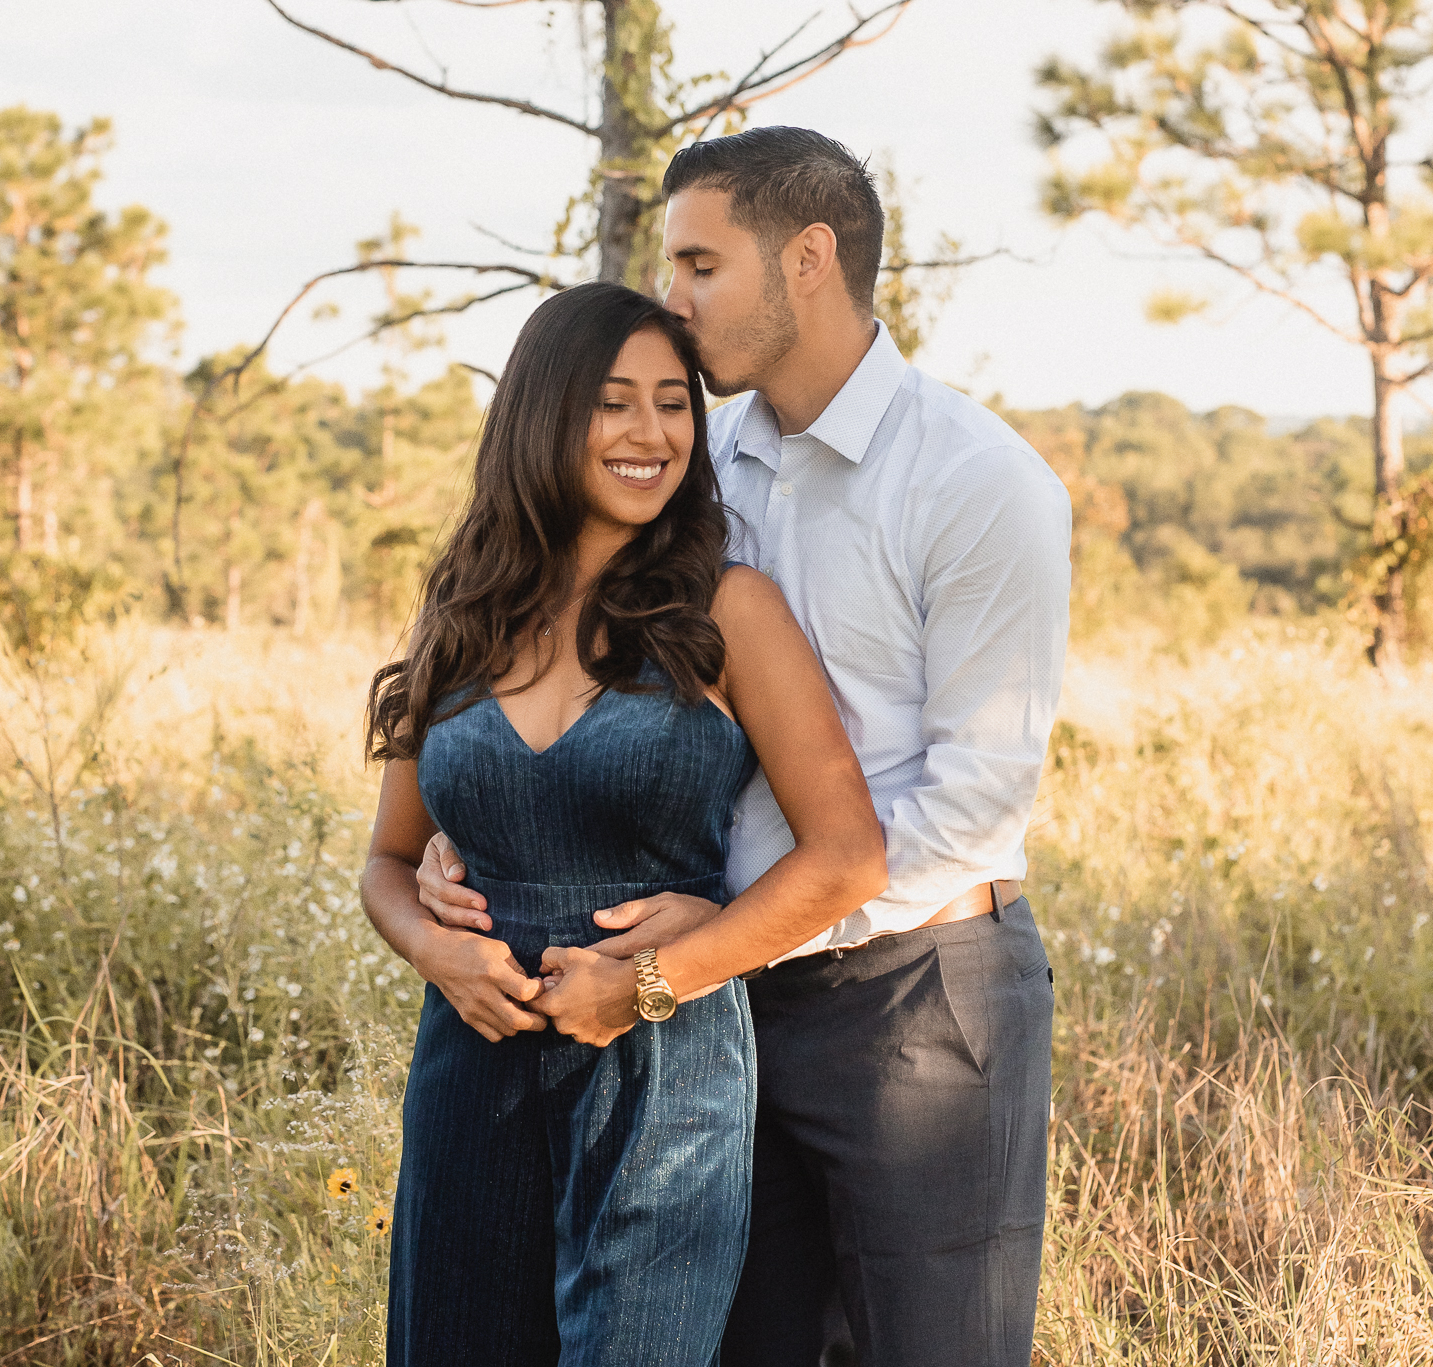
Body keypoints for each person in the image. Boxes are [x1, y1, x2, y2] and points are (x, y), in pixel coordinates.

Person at [418, 128, 1072, 1366]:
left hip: (917, 996)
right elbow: (603, 683)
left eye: (700, 263)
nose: (673, 296)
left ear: (807, 260)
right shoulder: (704, 463)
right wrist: (493, 826)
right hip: (716, 1000)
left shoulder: (980, 482)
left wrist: (719, 942)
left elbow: (975, 799)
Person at [361, 280, 888, 1367]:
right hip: (471, 1064)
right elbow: (387, 857)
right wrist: (433, 948)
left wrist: (649, 982)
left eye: (672, 403)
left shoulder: (726, 608)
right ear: (545, 414)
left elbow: (846, 858)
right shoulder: (463, 611)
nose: (651, 434)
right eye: (613, 403)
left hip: (661, 1069)